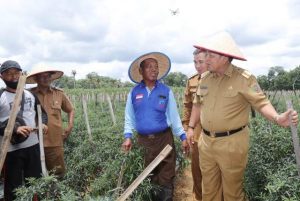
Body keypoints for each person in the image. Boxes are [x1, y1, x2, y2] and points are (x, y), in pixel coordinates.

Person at [187, 32, 298, 201]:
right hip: (206, 142)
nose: (206, 58)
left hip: (232, 144)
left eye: (211, 55)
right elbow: (197, 103)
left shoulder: (244, 79)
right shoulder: (206, 78)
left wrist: (277, 118)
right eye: (206, 54)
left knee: (233, 193)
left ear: (224, 57)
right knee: (209, 191)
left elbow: (261, 102)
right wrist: (191, 127)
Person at [122, 52, 189, 201]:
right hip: (143, 143)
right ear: (141, 71)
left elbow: (174, 117)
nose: (154, 70)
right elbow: (129, 118)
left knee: (166, 179)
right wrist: (128, 136)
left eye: (156, 67)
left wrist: (183, 136)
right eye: (149, 67)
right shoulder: (134, 93)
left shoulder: (166, 91)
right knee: (147, 179)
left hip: (164, 141)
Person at [0, 60, 48, 201]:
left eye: (16, 72)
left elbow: (42, 114)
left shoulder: (30, 95)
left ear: (22, 74)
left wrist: (43, 123)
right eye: (9, 73)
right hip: (10, 150)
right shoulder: (1, 96)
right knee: (13, 187)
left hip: (32, 146)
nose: (13, 76)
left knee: (35, 182)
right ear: (1, 76)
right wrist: (15, 129)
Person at [26, 66, 74, 178]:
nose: (45, 79)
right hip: (34, 140)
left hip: (55, 140)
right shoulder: (29, 94)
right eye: (41, 76)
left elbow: (70, 109)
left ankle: (56, 194)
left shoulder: (59, 94)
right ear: (36, 79)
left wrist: (70, 125)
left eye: (47, 76)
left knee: (58, 173)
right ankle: (41, 195)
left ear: (51, 78)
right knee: (36, 175)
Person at [182, 49, 207, 201]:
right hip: (196, 134)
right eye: (195, 62)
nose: (197, 66)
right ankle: (198, 197)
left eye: (201, 62)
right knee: (197, 172)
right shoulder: (191, 81)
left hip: (217, 134)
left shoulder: (218, 79)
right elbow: (187, 107)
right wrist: (186, 130)